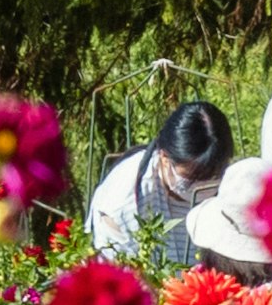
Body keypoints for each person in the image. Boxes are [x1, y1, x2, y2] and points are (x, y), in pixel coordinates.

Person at [85, 100, 235, 274]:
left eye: (215, 175)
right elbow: (128, 281)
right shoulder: (123, 203)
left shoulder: (233, 183)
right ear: (164, 157)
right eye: (191, 179)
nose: (205, 186)